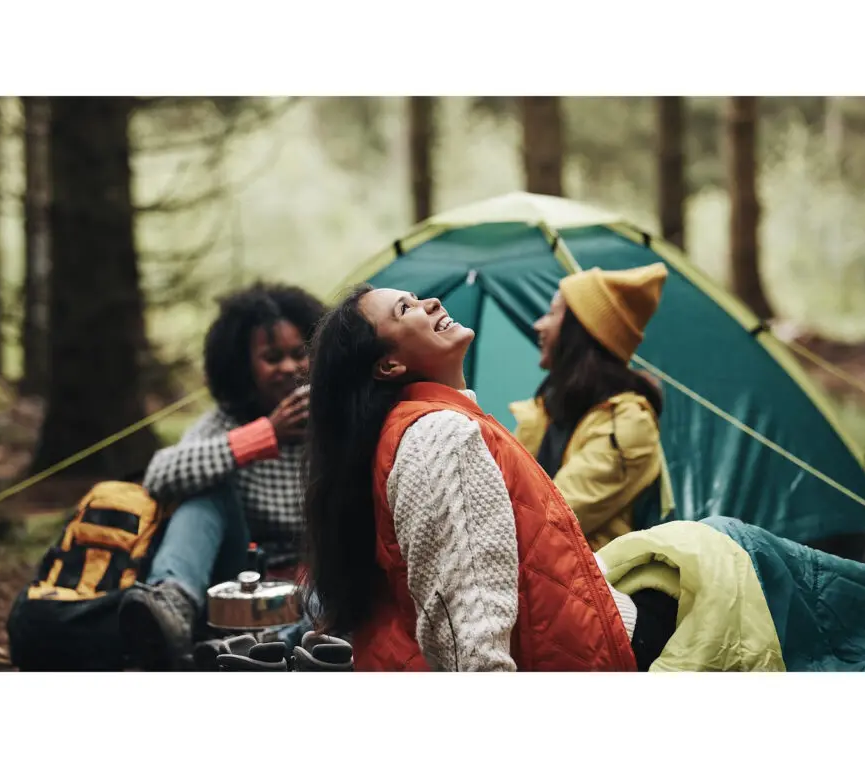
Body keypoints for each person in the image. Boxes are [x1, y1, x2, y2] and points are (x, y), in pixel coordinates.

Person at [303, 284, 647, 672]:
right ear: (389, 365)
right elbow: (472, 631)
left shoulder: (416, 428)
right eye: (405, 308)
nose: (431, 302)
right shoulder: (441, 435)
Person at [118, 282, 327, 670]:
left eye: (298, 354)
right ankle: (171, 606)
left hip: (315, 584)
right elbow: (160, 475)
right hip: (235, 583)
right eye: (271, 357)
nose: (287, 367)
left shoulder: (336, 420)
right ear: (243, 366)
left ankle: (273, 649)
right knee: (204, 489)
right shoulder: (225, 422)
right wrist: (266, 434)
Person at [510, 263, 671, 551]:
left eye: (551, 313)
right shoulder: (546, 413)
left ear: (579, 330)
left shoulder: (628, 425)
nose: (538, 325)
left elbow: (551, 519)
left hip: (595, 591)